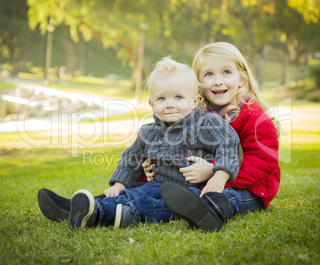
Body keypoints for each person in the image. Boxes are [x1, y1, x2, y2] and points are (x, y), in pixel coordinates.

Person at [40, 56, 242, 230]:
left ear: (194, 101)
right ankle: (89, 209)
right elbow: (132, 157)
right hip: (156, 185)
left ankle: (108, 213)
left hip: (190, 192)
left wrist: (220, 175)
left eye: (178, 97)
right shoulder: (148, 132)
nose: (170, 104)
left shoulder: (206, 124)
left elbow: (229, 145)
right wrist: (119, 183)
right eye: (162, 99)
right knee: (131, 193)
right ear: (151, 104)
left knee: (158, 204)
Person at [155, 42, 280, 232]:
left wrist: (216, 172)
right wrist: (151, 169)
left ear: (242, 78)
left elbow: (263, 160)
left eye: (226, 72)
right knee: (178, 191)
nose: (217, 81)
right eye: (208, 74)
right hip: (206, 182)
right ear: (197, 84)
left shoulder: (253, 116)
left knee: (230, 196)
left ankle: (210, 212)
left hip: (251, 188)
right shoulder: (197, 115)